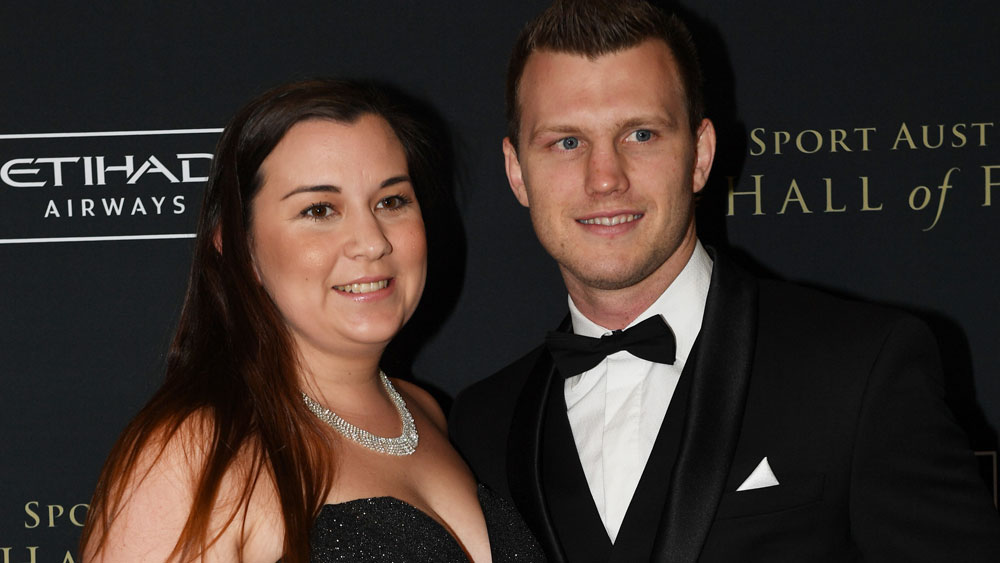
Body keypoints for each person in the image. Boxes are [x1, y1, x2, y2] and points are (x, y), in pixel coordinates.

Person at [449, 1, 1000, 561]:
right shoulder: (481, 424)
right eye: (566, 142)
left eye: (640, 134)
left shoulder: (861, 370)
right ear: (518, 171)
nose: (605, 178)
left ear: (700, 155)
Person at [80, 79, 544, 563]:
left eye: (391, 201)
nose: (371, 242)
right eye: (320, 210)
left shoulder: (424, 412)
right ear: (239, 250)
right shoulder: (199, 452)